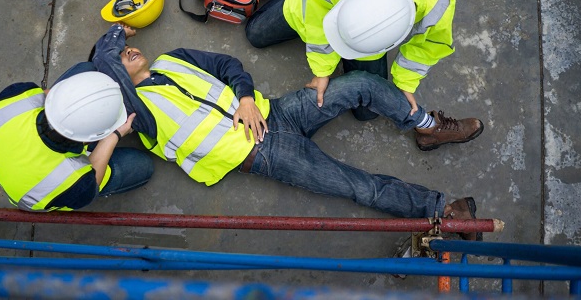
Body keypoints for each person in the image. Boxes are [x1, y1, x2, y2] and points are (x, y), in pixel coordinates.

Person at [92, 24, 482, 240]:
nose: (129, 50)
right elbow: (117, 83)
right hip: (265, 156)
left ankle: (427, 127)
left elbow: (227, 64)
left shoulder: (171, 60)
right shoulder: (134, 114)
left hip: (277, 112)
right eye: (120, 57)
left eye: (127, 47)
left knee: (360, 82)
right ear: (114, 78)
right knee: (359, 187)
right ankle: (443, 210)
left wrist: (245, 98)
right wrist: (110, 43)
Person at [245, 0, 482, 151]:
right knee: (256, 33)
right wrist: (322, 71)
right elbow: (315, 14)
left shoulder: (438, 3)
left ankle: (429, 126)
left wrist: (405, 83)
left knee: (367, 112)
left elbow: (428, 47)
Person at [0, 62, 153, 212]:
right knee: (142, 166)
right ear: (90, 139)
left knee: (87, 69)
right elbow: (92, 184)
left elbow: (47, 94)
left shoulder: (16, 95)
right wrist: (114, 136)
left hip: (2, 155)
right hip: (35, 194)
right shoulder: (73, 182)